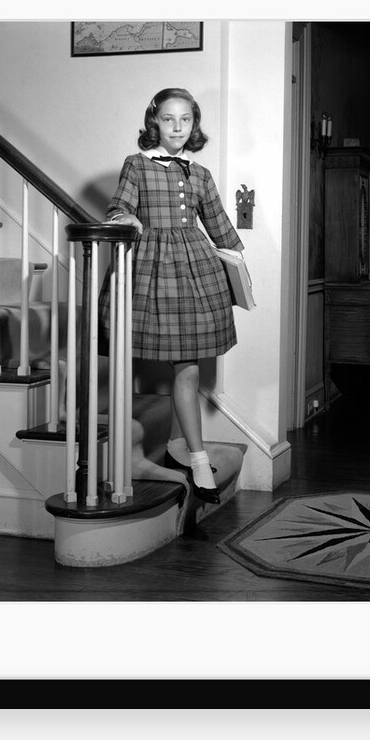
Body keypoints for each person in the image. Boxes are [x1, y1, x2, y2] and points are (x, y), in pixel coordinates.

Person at [99, 87, 245, 505]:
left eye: (185, 119)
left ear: (194, 124)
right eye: (168, 119)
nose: (177, 127)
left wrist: (239, 266)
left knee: (190, 370)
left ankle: (198, 460)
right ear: (154, 123)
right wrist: (125, 217)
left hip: (193, 270)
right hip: (147, 268)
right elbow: (119, 206)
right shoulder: (137, 165)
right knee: (127, 359)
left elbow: (219, 226)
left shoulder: (199, 174)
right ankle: (117, 456)